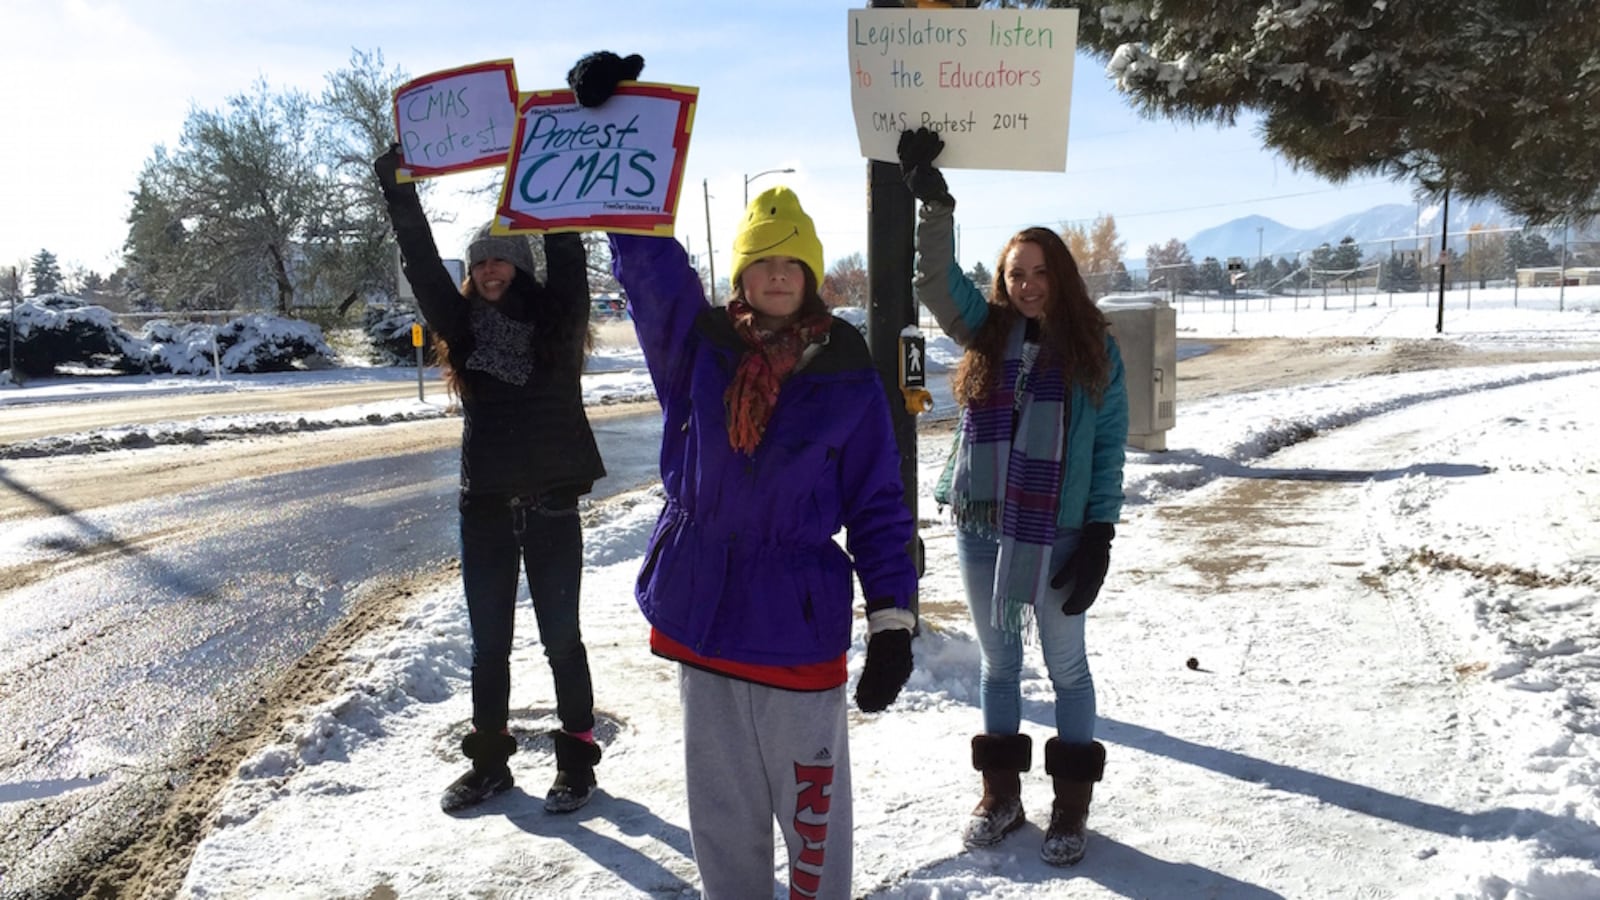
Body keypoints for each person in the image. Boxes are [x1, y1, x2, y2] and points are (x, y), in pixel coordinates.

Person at [568, 51, 919, 900]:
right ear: (743, 273)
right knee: (721, 820)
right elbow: (652, 275)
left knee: (810, 824)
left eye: (790, 263)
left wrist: (894, 621)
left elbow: (877, 504)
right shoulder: (701, 348)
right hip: (706, 614)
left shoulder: (846, 370)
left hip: (796, 631)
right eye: (761, 260)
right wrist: (615, 130)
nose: (774, 274)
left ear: (809, 277)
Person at [898, 127, 1129, 867]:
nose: (1025, 284)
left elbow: (1108, 451)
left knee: (1067, 669)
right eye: (1014, 272)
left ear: (1059, 276)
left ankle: (1070, 805)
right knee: (1000, 665)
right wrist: (936, 206)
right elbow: (932, 284)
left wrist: (1099, 534)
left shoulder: (1096, 347)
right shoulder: (985, 331)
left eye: (1037, 272)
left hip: (1059, 531)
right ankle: (1002, 795)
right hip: (983, 525)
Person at [373, 145, 606, 815]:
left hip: (552, 506)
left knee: (562, 639)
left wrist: (558, 174)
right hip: (486, 509)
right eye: (478, 262)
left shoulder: (558, 322)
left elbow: (568, 252)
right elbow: (420, 262)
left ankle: (577, 762)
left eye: (499, 256)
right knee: (488, 647)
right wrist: (399, 194)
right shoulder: (462, 328)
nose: (487, 269)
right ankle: (490, 766)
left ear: (522, 265)